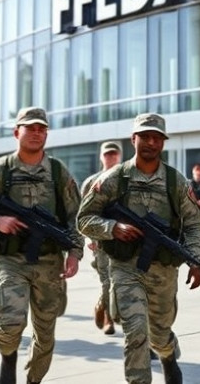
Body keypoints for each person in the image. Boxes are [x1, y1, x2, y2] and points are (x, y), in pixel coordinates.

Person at [78, 114, 200, 384]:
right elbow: (84, 219)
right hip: (125, 268)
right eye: (145, 136)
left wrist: (194, 259)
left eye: (156, 138)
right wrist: (113, 228)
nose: (150, 142)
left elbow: (195, 225)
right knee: (136, 331)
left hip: (163, 271)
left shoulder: (176, 182)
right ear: (133, 139)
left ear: (163, 142)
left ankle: (168, 355)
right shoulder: (114, 179)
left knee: (159, 333)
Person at [0, 106, 84, 384]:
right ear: (17, 132)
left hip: (50, 262)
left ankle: (33, 379)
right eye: (31, 128)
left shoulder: (57, 171)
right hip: (11, 259)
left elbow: (76, 215)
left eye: (42, 129)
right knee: (11, 322)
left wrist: (75, 253)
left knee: (45, 333)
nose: (36, 133)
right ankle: (8, 358)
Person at [81, 141, 123, 336]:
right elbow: (82, 215)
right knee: (107, 281)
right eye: (107, 154)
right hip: (100, 240)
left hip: (124, 239)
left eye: (114, 154)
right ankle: (108, 317)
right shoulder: (91, 182)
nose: (111, 157)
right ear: (101, 157)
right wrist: (89, 237)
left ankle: (103, 305)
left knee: (121, 281)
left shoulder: (127, 179)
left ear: (120, 156)